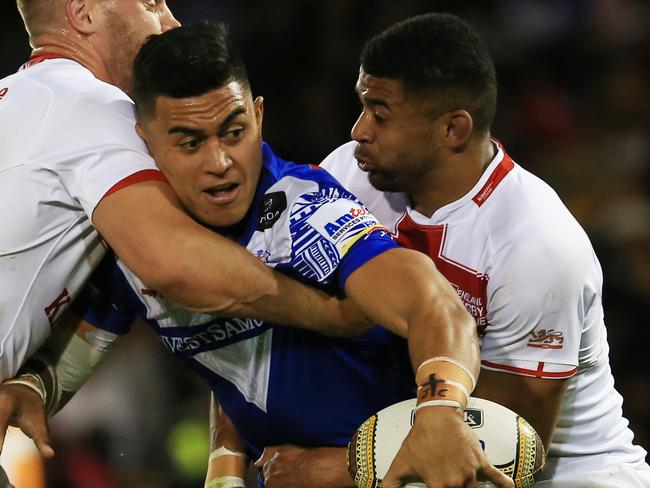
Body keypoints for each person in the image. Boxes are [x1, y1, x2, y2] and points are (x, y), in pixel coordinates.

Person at [0, 21, 512, 488]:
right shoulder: (137, 245)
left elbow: (433, 304)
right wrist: (36, 386)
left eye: (234, 131)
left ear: (259, 115)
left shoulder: (303, 209)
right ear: (145, 141)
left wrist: (442, 408)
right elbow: (92, 339)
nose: (221, 163)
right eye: (190, 143)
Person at [319, 12, 650, 488]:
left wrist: (335, 470)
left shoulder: (537, 245)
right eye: (362, 106)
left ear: (452, 129)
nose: (358, 131)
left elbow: (513, 444)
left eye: (380, 113)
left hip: (566, 473)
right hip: (422, 439)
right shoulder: (353, 174)